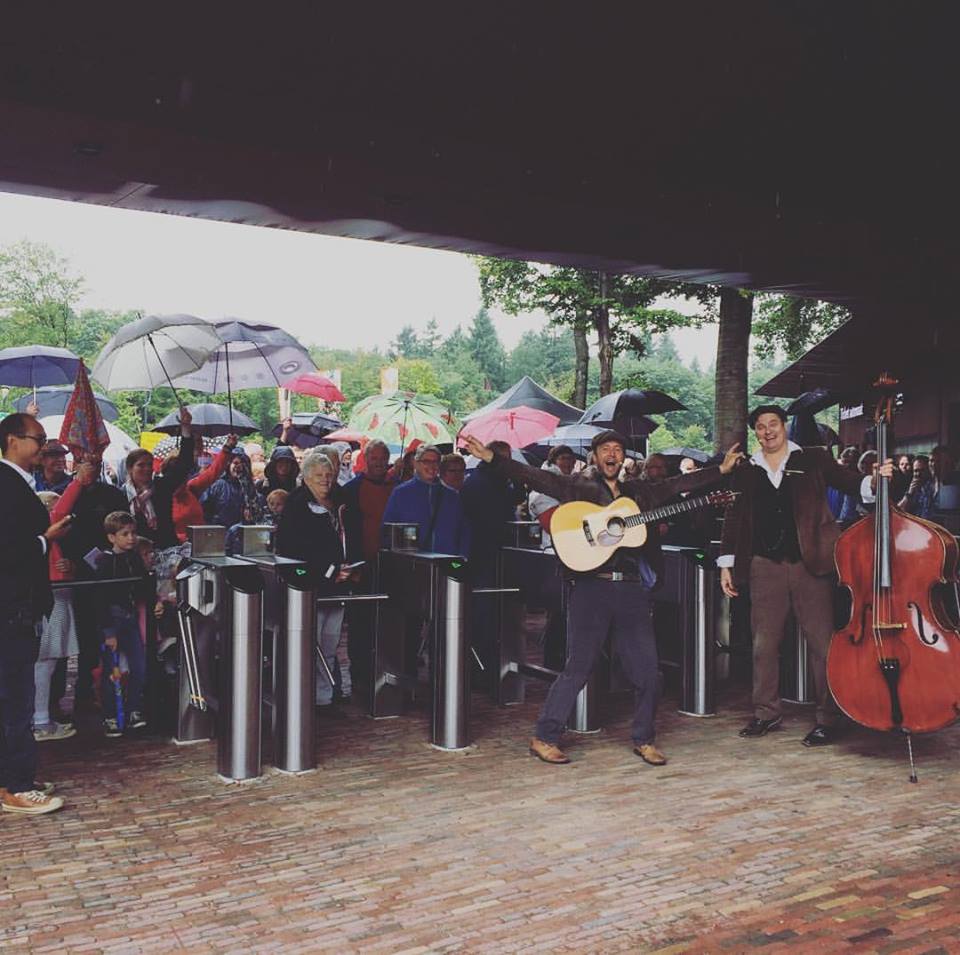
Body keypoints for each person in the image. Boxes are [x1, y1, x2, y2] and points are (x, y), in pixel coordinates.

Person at [465, 430, 742, 767]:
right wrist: (493, 458)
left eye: (618, 448)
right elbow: (532, 475)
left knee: (649, 670)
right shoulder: (577, 487)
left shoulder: (637, 493)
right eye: (606, 449)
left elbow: (676, 486)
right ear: (595, 456)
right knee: (579, 667)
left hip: (630, 589)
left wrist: (721, 472)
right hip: (590, 588)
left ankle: (644, 738)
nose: (612, 454)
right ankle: (545, 736)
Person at [718, 404, 891, 747]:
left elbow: (851, 484)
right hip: (764, 564)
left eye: (773, 424)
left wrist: (876, 479)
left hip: (811, 563)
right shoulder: (747, 469)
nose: (768, 431)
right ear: (756, 433)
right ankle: (766, 712)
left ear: (784, 426)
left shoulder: (813, 458)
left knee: (822, 645)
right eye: (761, 427)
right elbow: (734, 516)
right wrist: (726, 562)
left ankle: (830, 718)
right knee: (763, 646)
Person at [0, 412, 72, 815]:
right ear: (13, 439)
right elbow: (8, 550)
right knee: (16, 699)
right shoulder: (7, 485)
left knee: (11, 696)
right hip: (12, 606)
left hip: (16, 604)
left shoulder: (16, 484)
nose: (43, 446)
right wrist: (46, 541)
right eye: (37, 438)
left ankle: (11, 775)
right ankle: (18, 785)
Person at [275, 450, 360, 706]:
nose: (325, 480)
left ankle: (322, 699)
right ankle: (301, 698)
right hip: (310, 585)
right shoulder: (297, 504)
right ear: (307, 477)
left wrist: (351, 566)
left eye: (329, 475)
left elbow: (352, 534)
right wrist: (328, 571)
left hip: (339, 584)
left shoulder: (341, 500)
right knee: (308, 643)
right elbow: (294, 547)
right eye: (319, 475)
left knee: (330, 644)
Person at [32, 463, 95, 742]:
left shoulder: (54, 545)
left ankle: (41, 716)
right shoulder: (44, 536)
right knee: (44, 663)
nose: (66, 520)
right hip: (53, 600)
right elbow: (58, 512)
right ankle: (40, 720)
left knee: (49, 663)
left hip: (61, 596)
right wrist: (78, 482)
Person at [91, 511, 152, 737]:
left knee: (139, 667)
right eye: (124, 534)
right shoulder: (105, 563)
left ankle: (134, 708)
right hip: (113, 622)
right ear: (111, 537)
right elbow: (100, 600)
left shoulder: (134, 559)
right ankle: (110, 715)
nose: (131, 538)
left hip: (130, 618)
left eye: (133, 533)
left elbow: (143, 587)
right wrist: (108, 631)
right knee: (112, 671)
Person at [340, 439, 393, 688]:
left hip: (391, 565)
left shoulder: (396, 487)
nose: (380, 463)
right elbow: (347, 531)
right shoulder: (352, 489)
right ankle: (360, 674)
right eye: (375, 459)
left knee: (388, 623)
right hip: (364, 565)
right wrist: (353, 565)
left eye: (383, 459)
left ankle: (385, 671)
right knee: (361, 623)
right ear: (366, 460)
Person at [381, 444, 470, 555]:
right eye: (426, 462)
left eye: (435, 462)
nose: (431, 466)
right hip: (412, 564)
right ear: (416, 464)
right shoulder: (401, 493)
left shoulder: (452, 497)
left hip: (447, 565)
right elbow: (387, 531)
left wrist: (458, 564)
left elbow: (464, 533)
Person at [202, 446, 263, 530]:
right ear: (229, 464)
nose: (238, 467)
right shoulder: (218, 485)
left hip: (242, 534)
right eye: (235, 463)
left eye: (242, 464)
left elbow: (257, 513)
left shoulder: (249, 488)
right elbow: (205, 510)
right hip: (220, 533)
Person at [898, 453, 935, 518]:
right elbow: (899, 511)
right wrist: (909, 493)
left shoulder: (933, 487)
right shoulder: (913, 488)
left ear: (928, 470)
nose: (918, 474)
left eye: (922, 470)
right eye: (915, 471)